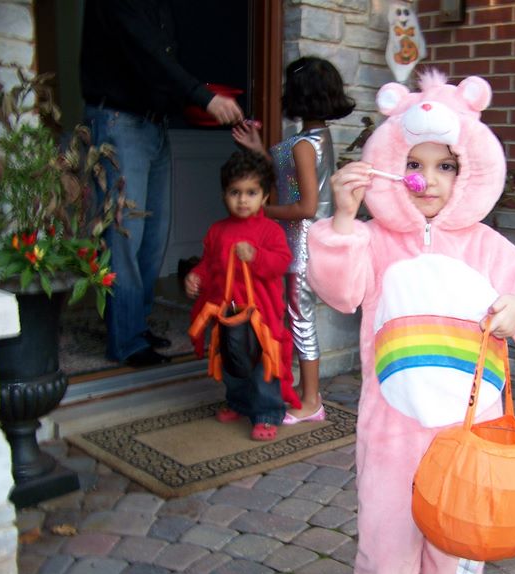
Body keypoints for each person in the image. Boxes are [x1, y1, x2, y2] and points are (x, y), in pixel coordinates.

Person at [306, 72, 515, 574]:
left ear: (468, 170)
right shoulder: (374, 242)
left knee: (456, 560)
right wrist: (342, 221)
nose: (427, 180)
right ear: (390, 168)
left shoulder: (490, 249)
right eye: (413, 164)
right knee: (386, 554)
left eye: (445, 166)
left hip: (472, 442)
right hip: (392, 438)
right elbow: (340, 292)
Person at [80, 0, 244, 368]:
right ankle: (126, 341)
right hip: (118, 120)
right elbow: (146, 52)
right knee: (124, 236)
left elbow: (161, 62)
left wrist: (189, 101)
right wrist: (203, 97)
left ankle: (133, 325)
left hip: (154, 124)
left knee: (153, 236)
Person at [232, 56, 355, 423]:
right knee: (297, 318)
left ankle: (311, 399)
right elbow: (289, 176)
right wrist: (259, 150)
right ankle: (302, 393)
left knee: (300, 320)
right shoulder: (316, 139)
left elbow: (306, 206)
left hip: (300, 246)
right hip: (299, 243)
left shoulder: (304, 144)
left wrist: (261, 210)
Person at [184, 149, 301, 441]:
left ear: (264, 196)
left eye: (251, 192)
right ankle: (238, 402)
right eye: (235, 192)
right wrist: (196, 276)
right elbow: (209, 263)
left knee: (262, 366)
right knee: (231, 362)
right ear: (224, 195)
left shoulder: (270, 231)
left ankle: (267, 413)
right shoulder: (217, 231)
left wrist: (256, 256)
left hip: (262, 316)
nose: (243, 200)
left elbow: (281, 262)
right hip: (227, 312)